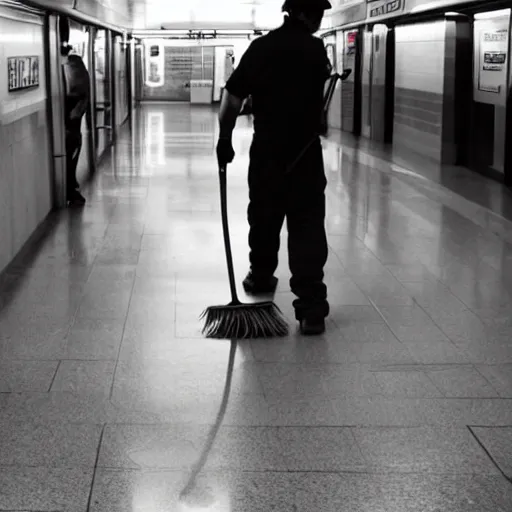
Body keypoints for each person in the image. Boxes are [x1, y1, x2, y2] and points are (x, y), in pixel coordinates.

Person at [216, 0, 332, 335]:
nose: (319, 21)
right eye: (318, 14)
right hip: (306, 154)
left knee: (264, 217)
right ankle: (311, 309)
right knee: (307, 226)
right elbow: (319, 112)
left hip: (268, 151)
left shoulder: (261, 48)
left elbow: (232, 97)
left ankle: (262, 276)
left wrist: (225, 139)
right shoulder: (315, 50)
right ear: (303, 13)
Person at [62, 43, 90, 206]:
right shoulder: (77, 66)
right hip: (72, 128)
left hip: (71, 127)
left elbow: (79, 97)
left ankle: (70, 188)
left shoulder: (73, 65)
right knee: (71, 156)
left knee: (71, 155)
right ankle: (71, 187)